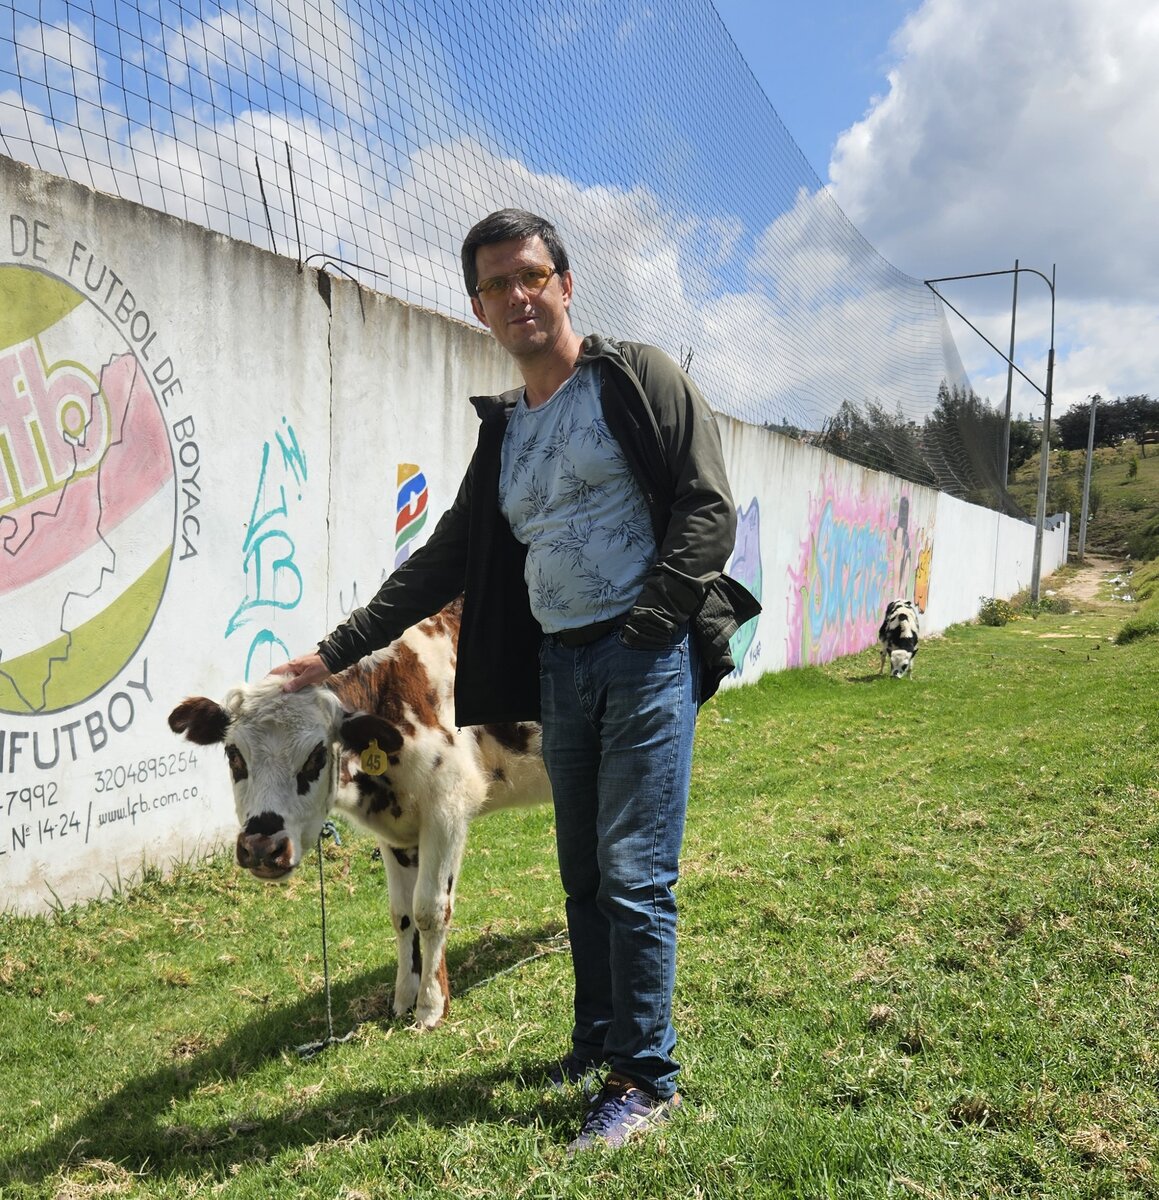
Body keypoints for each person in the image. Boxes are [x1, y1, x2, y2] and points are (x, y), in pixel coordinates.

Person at [274, 209, 759, 1152]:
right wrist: (336, 650)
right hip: (556, 668)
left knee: (633, 874)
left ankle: (643, 1078)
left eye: (531, 275)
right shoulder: (504, 433)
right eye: (495, 284)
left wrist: (651, 623)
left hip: (644, 659)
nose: (516, 295)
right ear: (478, 308)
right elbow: (444, 557)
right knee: (582, 874)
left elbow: (707, 508)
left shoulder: (636, 378)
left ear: (564, 284)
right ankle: (597, 1045)